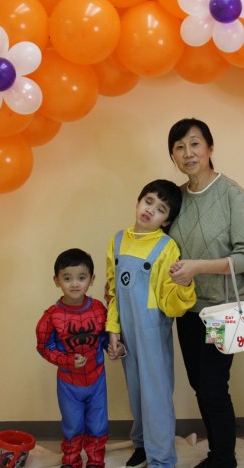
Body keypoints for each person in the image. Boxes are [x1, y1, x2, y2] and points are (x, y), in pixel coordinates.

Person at [166, 118, 244, 468]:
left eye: (194, 144)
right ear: (173, 156)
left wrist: (198, 266)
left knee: (212, 387)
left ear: (210, 148)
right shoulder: (176, 198)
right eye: (179, 147)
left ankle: (224, 459)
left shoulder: (231, 194)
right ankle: (218, 453)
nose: (188, 153)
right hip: (187, 309)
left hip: (222, 311)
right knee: (199, 385)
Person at [106, 179, 196, 468]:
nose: (150, 210)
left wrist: (184, 285)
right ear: (138, 201)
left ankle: (162, 459)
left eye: (160, 209)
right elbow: (112, 291)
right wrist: (113, 330)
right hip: (127, 333)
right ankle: (143, 445)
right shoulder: (117, 240)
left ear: (166, 220)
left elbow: (170, 303)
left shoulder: (166, 247)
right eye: (148, 201)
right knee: (136, 394)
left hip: (152, 333)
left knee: (155, 396)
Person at [36, 248, 109, 468]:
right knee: (72, 425)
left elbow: (106, 337)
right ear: (57, 281)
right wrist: (67, 361)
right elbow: (44, 347)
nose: (75, 284)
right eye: (67, 278)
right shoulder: (51, 316)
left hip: (97, 379)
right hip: (69, 382)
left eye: (81, 277)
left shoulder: (99, 309)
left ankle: (96, 461)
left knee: (98, 424)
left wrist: (115, 347)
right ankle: (70, 461)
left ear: (92, 279)